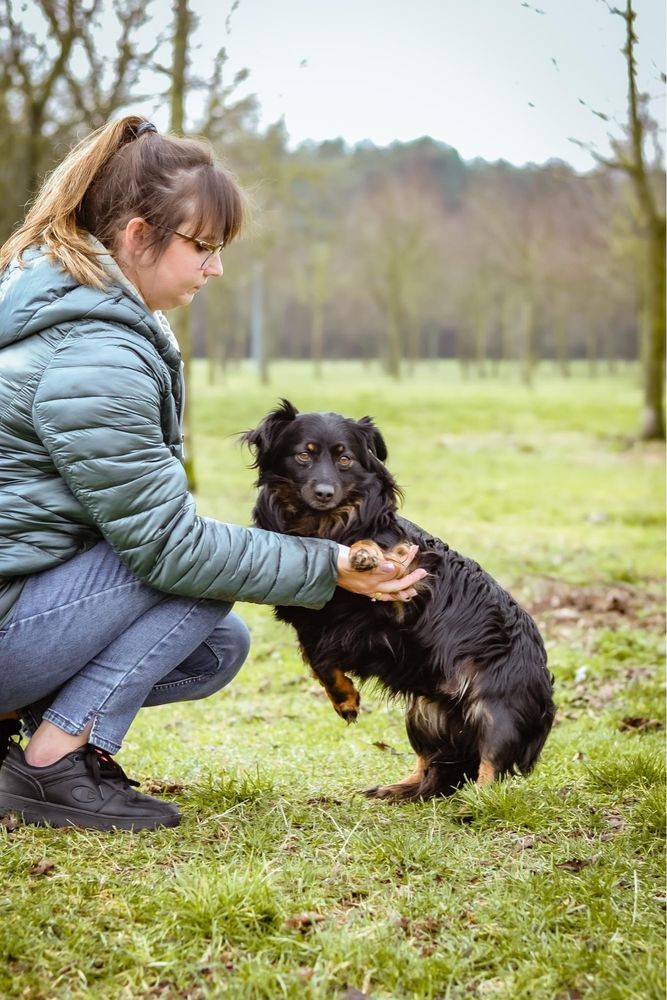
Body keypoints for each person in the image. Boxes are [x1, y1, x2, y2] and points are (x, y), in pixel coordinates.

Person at [0, 115, 425, 832]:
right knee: (196, 571)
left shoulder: (76, 314)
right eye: (201, 247)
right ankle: (51, 767)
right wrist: (330, 565)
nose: (215, 268)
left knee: (213, 649)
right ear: (137, 236)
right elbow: (169, 550)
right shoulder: (93, 355)